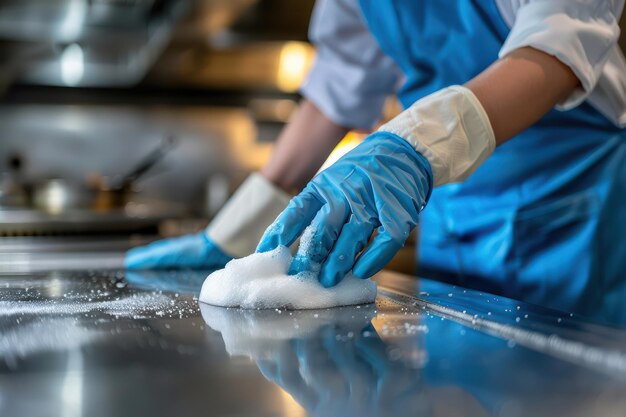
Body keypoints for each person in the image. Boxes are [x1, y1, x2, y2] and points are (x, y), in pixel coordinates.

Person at [127, 0, 626, 318]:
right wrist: (241, 228)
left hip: (569, 200)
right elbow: (341, 83)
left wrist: (414, 147)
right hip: (448, 198)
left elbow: (556, 48)